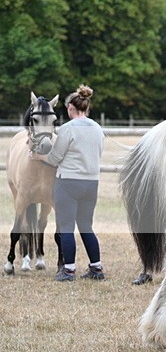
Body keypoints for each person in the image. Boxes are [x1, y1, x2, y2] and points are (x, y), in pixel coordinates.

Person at [30, 84, 106, 282]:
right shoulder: (98, 129)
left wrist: (38, 156)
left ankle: (68, 270)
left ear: (71, 108)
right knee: (86, 227)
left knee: (66, 227)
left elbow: (54, 159)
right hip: (92, 183)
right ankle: (96, 268)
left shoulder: (67, 129)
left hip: (69, 183)